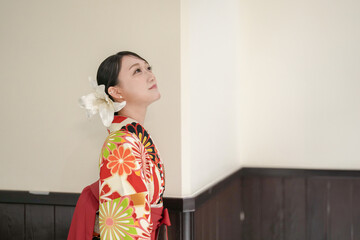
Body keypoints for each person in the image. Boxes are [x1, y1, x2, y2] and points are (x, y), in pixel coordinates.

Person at [78, 51, 170, 240]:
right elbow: (125, 227)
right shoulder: (121, 143)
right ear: (116, 92)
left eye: (148, 68)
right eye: (137, 71)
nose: (150, 75)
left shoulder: (134, 137)